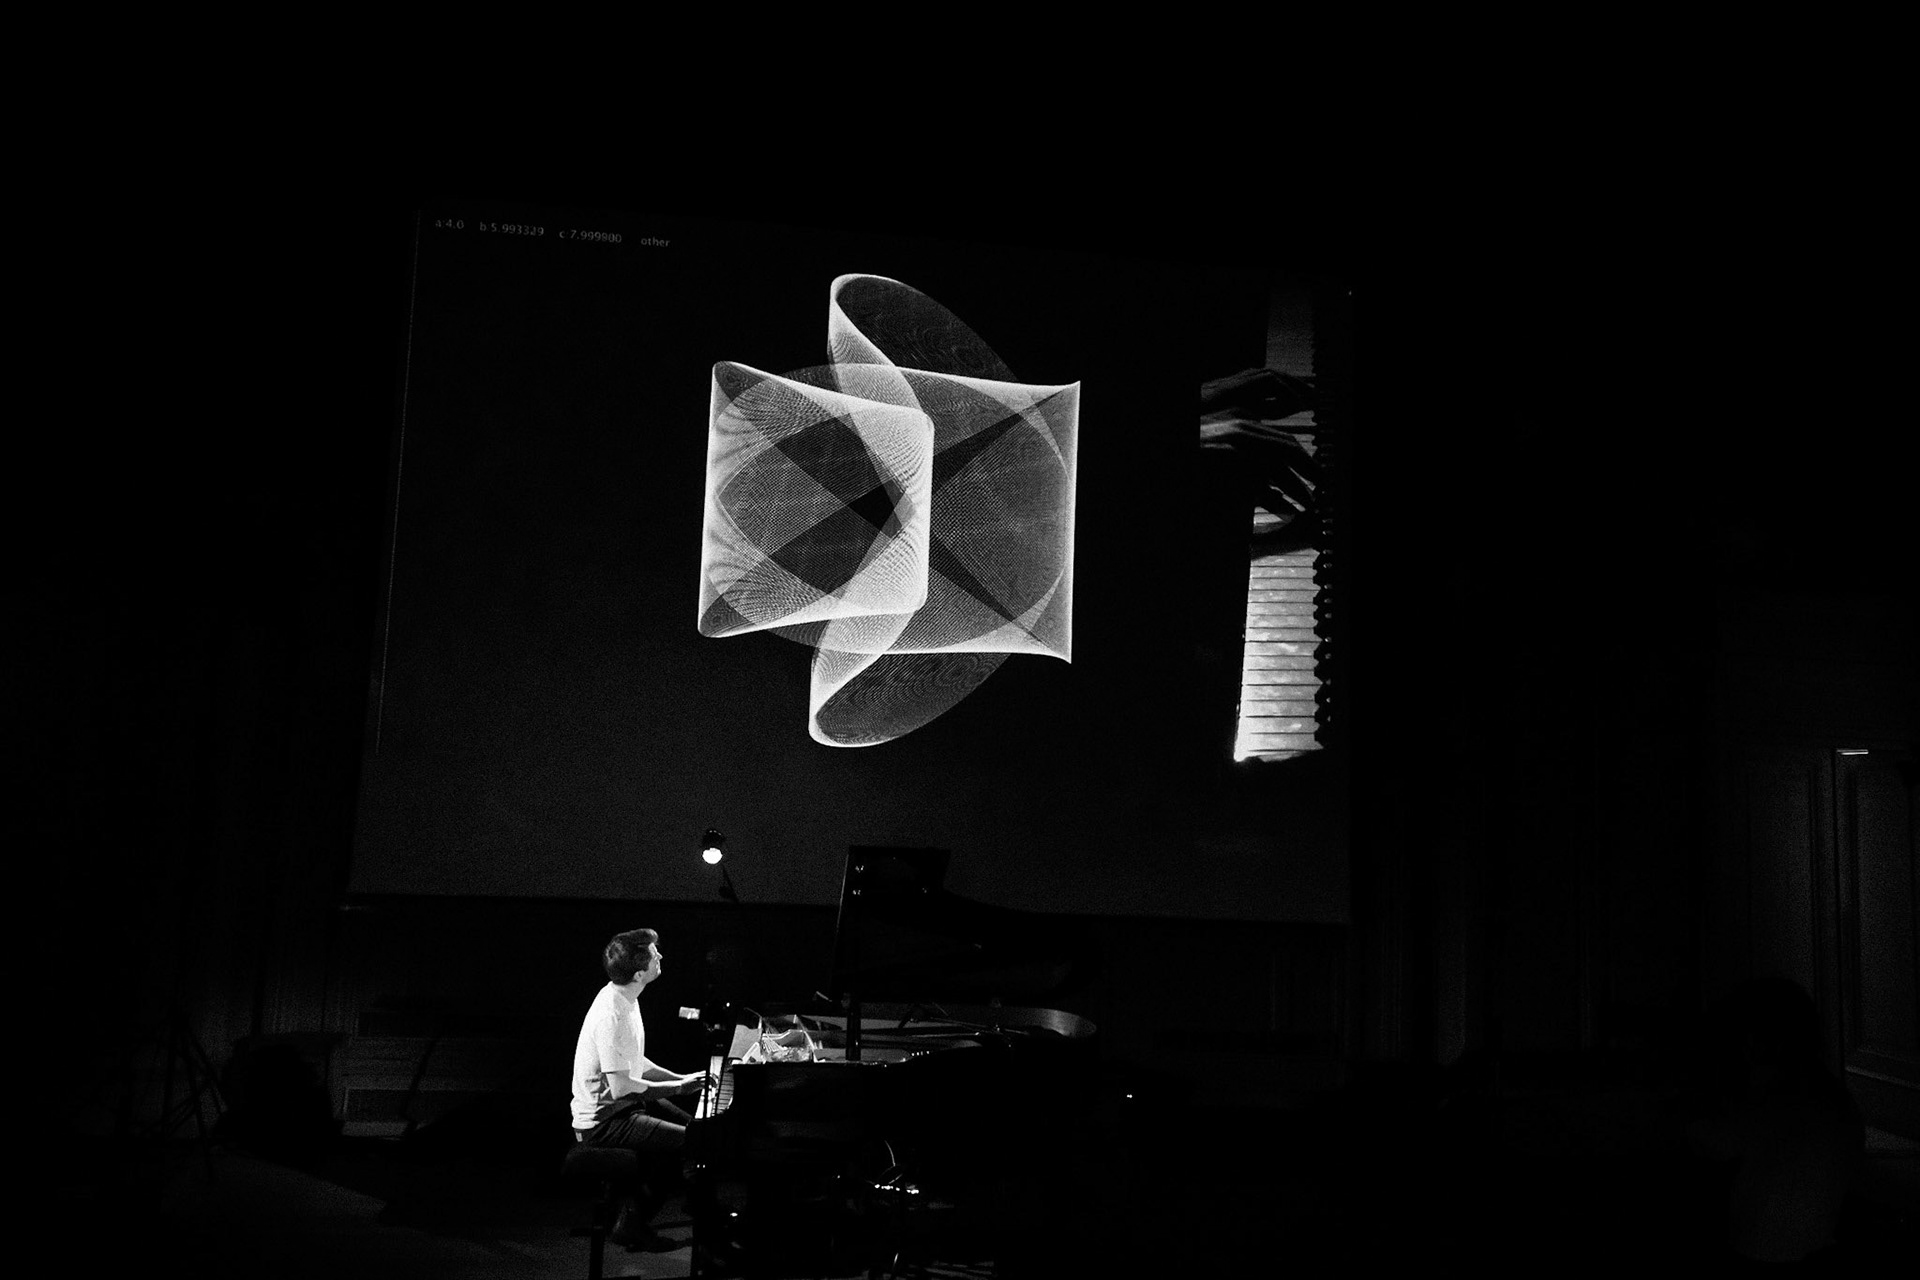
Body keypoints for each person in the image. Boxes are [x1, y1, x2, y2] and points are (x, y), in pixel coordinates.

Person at [1685, 976, 1865, 1268]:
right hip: (1811, 1244)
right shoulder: (1828, 1092)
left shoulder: (1780, 1096)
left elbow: (1712, 1142)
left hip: (1766, 1252)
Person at [571, 927, 706, 1248]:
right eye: (653, 954)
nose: (660, 956)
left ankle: (679, 1208)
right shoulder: (612, 1013)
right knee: (693, 1142)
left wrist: (680, 1079)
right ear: (638, 973)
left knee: (699, 1131)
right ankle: (635, 1223)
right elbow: (620, 1087)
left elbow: (635, 1062)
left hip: (622, 1109)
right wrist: (678, 1088)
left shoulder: (624, 996)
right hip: (603, 1123)